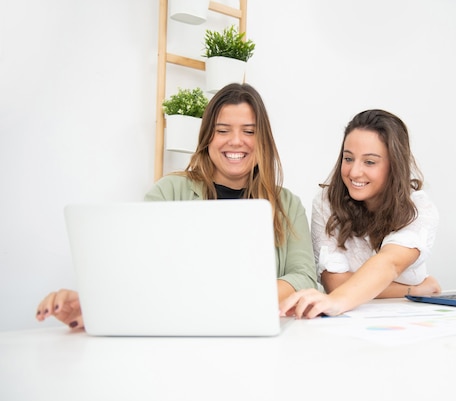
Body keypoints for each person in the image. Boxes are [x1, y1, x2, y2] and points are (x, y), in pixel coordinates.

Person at [36, 83, 318, 330]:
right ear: (208, 137)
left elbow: (304, 276)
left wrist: (230, 300)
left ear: (263, 140)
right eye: (223, 130)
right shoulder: (168, 191)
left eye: (249, 131)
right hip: (180, 337)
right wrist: (94, 304)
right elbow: (135, 268)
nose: (236, 141)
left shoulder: (287, 204)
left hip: (259, 338)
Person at [279, 109, 441, 319]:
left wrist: (338, 299)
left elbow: (389, 263)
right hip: (350, 323)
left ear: (394, 166)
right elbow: (333, 282)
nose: (354, 172)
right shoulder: (326, 202)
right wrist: (413, 290)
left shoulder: (418, 208)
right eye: (348, 158)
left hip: (402, 321)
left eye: (370, 162)